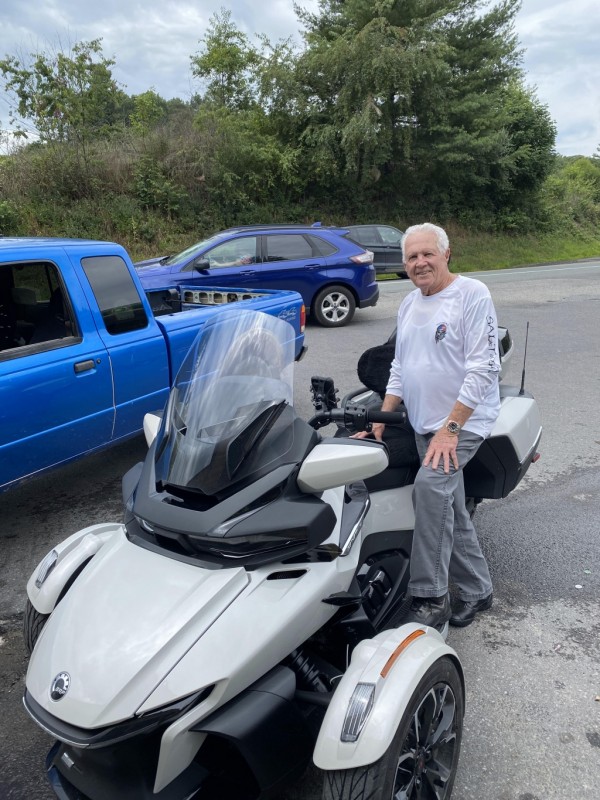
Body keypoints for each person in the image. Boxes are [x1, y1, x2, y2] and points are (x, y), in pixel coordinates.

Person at [357, 222, 501, 628]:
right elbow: (399, 366)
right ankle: (478, 590)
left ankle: (430, 595)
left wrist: (451, 429)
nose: (420, 263)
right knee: (449, 507)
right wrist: (383, 418)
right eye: (412, 257)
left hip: (462, 423)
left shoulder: (471, 294)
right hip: (423, 425)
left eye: (427, 254)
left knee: (430, 489)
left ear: (446, 253)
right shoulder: (409, 304)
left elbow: (484, 368)